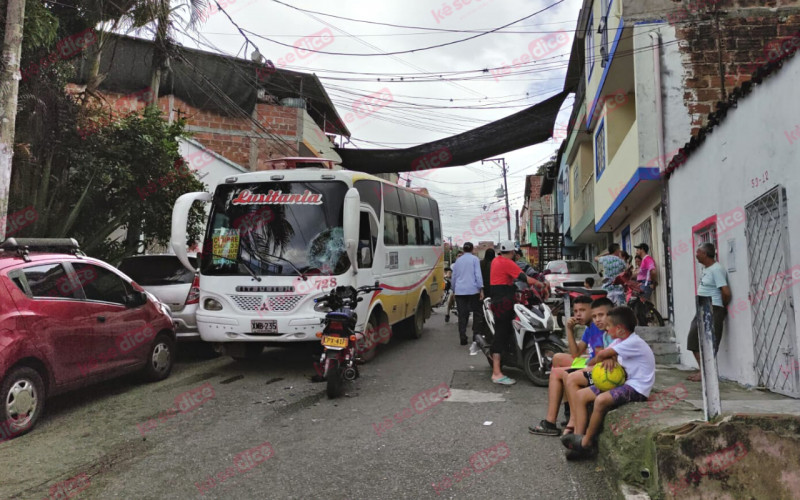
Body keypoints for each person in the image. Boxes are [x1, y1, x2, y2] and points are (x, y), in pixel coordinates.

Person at [561, 306, 655, 455]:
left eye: (609, 326)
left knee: (600, 400)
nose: (606, 329)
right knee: (581, 395)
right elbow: (593, 362)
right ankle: (578, 436)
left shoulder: (633, 342)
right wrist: (609, 356)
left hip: (637, 388)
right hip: (625, 383)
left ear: (619, 329)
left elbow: (600, 356)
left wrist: (607, 355)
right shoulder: (619, 341)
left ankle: (586, 443)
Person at [528, 296, 611, 436]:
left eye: (583, 310)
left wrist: (587, 360)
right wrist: (570, 330)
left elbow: (598, 359)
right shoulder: (589, 328)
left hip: (595, 366)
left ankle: (551, 421)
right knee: (557, 358)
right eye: (576, 311)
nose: (578, 314)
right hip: (588, 362)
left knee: (556, 372)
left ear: (592, 311)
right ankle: (568, 411)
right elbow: (575, 353)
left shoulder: (597, 329)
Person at [489, 240, 547, 385]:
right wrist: (541, 284)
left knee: (506, 331)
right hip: (503, 302)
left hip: (500, 300)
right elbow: (525, 278)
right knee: (501, 335)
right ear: (513, 252)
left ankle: (508, 358)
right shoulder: (508, 263)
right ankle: (496, 373)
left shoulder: (497, 260)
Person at [686, 242, 730, 382]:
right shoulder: (706, 269)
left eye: (698, 252)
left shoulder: (717, 270)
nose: (696, 255)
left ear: (705, 253)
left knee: (711, 342)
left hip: (713, 308)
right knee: (693, 339)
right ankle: (703, 371)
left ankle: (706, 374)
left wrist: (720, 307)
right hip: (702, 309)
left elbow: (726, 292)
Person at [450, 242, 485, 353]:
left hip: (460, 290)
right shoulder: (475, 260)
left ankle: (463, 337)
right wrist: (481, 288)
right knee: (477, 312)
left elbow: (454, 276)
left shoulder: (458, 261)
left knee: (462, 314)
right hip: (473, 290)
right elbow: (478, 275)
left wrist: (454, 289)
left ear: (464, 249)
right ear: (472, 249)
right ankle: (476, 336)